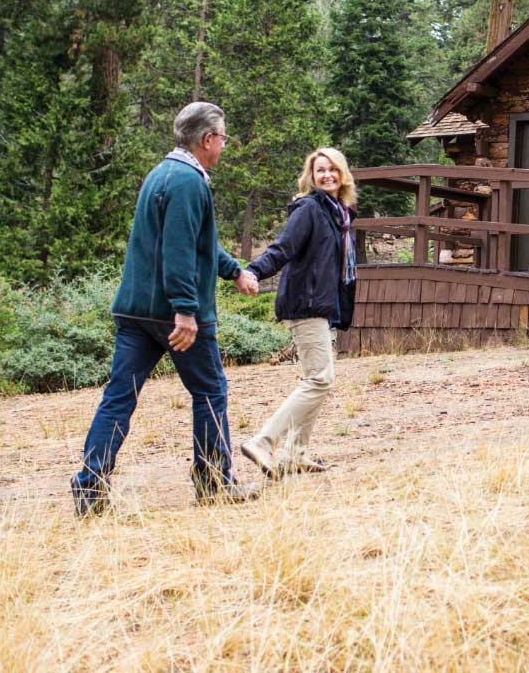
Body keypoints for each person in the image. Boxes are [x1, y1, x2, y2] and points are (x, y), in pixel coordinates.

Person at [70, 102, 263, 517]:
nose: (224, 145)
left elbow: (196, 240)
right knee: (210, 393)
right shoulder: (190, 183)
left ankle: (89, 489)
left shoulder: (161, 174)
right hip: (172, 317)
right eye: (223, 137)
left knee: (118, 398)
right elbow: (179, 251)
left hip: (135, 313)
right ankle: (214, 484)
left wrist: (234, 272)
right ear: (207, 140)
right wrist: (186, 311)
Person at [237, 146, 358, 479]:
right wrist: (253, 272)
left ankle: (295, 453)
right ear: (312, 176)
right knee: (321, 379)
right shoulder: (309, 209)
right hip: (305, 303)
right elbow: (282, 248)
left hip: (322, 304)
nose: (327, 175)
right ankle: (264, 441)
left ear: (343, 174)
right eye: (320, 170)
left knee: (315, 379)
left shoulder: (340, 214)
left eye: (333, 169)